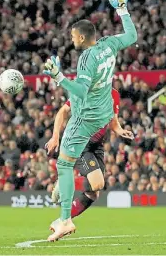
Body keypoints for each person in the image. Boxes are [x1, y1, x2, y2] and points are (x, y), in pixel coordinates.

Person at [43, 0, 137, 241]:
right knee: (86, 178)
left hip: (86, 118)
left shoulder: (87, 58)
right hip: (103, 113)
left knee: (63, 165)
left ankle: (64, 220)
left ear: (82, 38)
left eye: (73, 36)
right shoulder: (108, 45)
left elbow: (81, 92)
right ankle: (65, 211)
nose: (72, 39)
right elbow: (131, 35)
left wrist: (58, 77)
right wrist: (122, 10)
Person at [45, 88, 133, 232]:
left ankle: (62, 220)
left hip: (97, 145)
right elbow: (63, 111)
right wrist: (55, 137)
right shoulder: (84, 90)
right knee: (97, 182)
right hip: (81, 141)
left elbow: (114, 122)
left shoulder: (114, 94)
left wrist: (120, 131)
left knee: (93, 193)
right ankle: (66, 180)